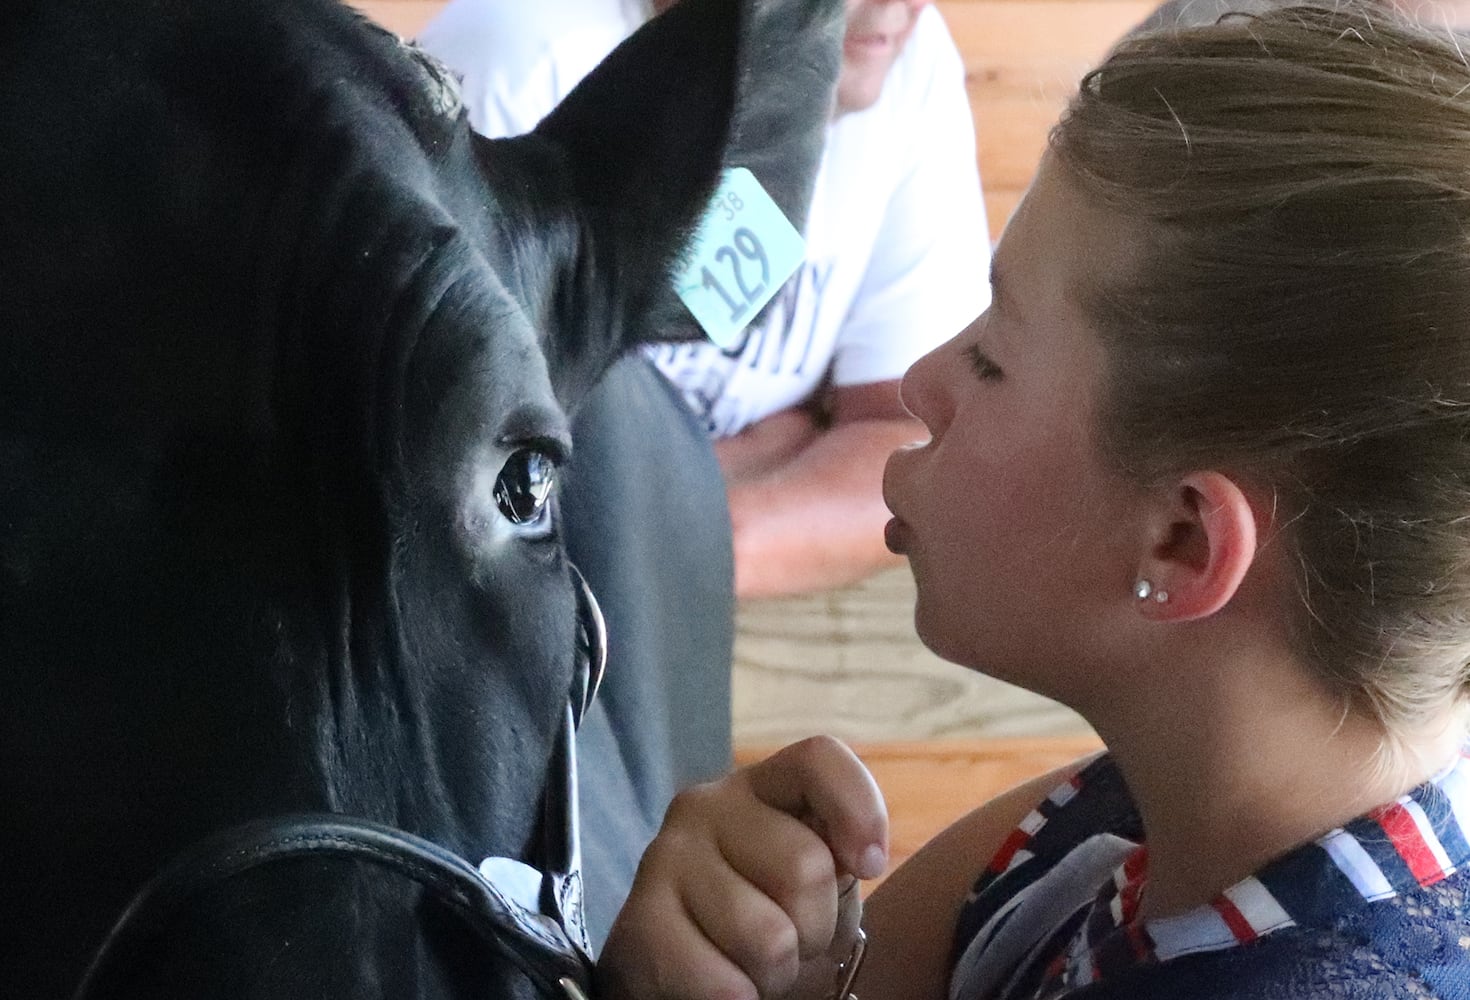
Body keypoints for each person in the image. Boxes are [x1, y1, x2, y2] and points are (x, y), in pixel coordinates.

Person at [593, 4, 1470, 997]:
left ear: (1182, 540)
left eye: (990, 356)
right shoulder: (1140, 815)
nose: (921, 382)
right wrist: (783, 964)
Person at [419, 0, 993, 598]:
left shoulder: (898, 61)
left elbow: (918, 439)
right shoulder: (521, 57)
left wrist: (709, 544)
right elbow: (468, 501)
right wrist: (770, 457)